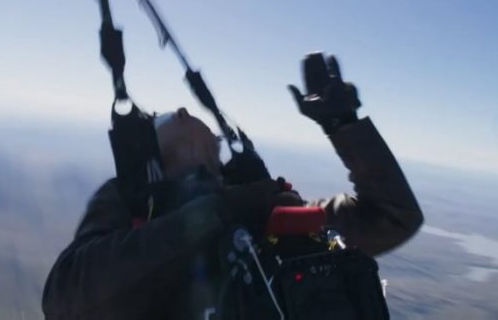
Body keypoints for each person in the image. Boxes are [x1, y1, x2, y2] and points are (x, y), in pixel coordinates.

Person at [42, 54, 424, 320]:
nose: (182, 111)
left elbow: (393, 217)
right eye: (164, 119)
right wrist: (222, 209)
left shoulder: (270, 209)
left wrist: (345, 127)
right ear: (150, 160)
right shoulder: (134, 201)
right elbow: (65, 301)